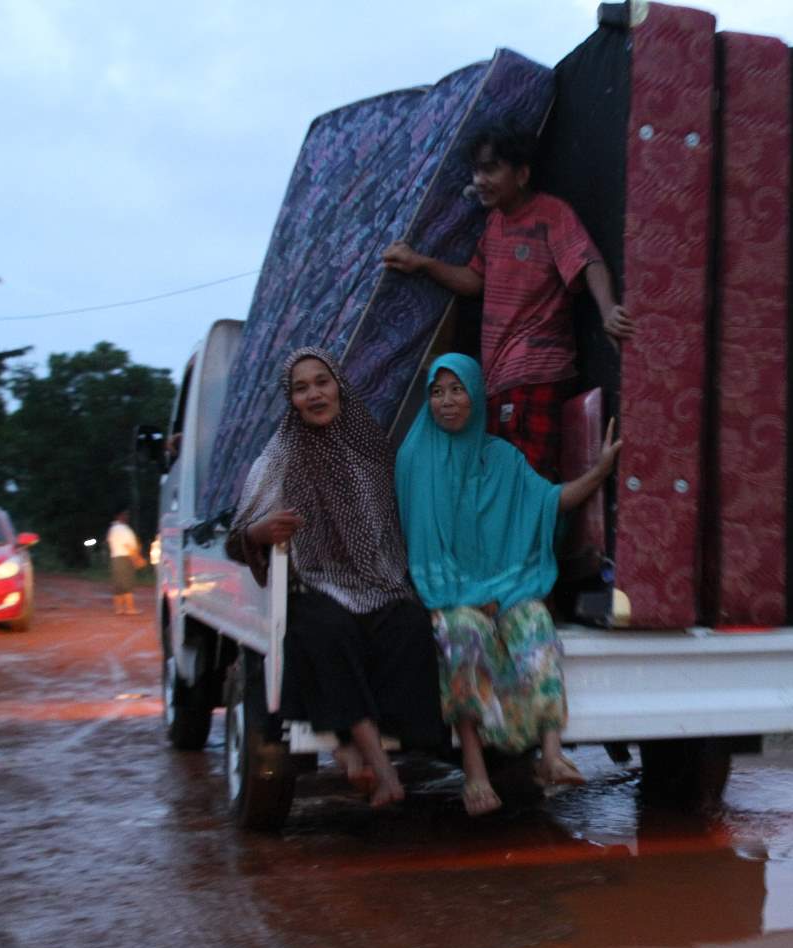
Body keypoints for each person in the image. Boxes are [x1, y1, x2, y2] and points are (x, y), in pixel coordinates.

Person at [395, 352, 620, 815]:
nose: (447, 401)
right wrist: (463, 600)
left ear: (476, 395)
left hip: (505, 589)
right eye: (437, 392)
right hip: (448, 595)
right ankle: (474, 769)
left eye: (457, 390)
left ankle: (551, 754)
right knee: (464, 635)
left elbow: (550, 503)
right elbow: (421, 545)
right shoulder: (415, 457)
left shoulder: (502, 458)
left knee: (535, 623)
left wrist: (599, 471)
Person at [226, 347, 444, 809]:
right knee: (328, 633)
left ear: (339, 385)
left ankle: (351, 746)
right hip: (315, 582)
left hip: (380, 580)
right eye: (300, 388)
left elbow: (398, 519)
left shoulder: (372, 448)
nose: (314, 394)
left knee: (409, 627)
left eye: (321, 382)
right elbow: (236, 537)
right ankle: (382, 770)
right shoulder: (279, 456)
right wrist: (260, 531)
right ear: (291, 400)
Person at [382, 124, 636, 481]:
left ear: (522, 174)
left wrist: (609, 309)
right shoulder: (495, 225)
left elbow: (587, 259)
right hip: (498, 380)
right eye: (476, 171)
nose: (479, 179)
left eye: (490, 169)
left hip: (538, 373)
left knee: (529, 484)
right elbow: (474, 281)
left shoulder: (550, 213)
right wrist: (422, 263)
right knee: (504, 484)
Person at [106, 509, 143, 615]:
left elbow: (110, 542)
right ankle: (130, 609)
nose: (127, 518)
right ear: (121, 517)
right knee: (127, 583)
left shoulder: (112, 529)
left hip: (115, 558)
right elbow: (128, 546)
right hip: (124, 558)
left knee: (118, 584)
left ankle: (119, 609)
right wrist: (136, 558)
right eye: (126, 515)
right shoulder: (124, 529)